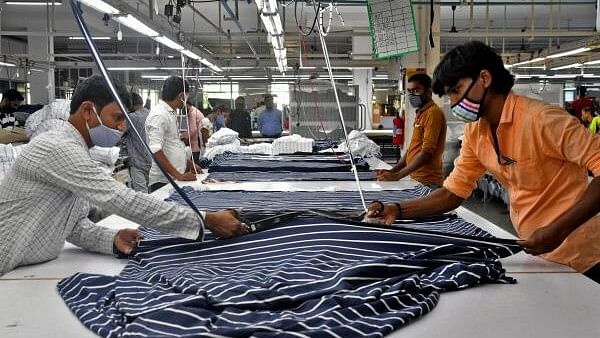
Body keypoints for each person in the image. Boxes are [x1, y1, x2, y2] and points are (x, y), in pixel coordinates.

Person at [367, 41, 600, 283]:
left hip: (582, 255)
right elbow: (452, 193)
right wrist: (397, 210)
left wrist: (559, 230)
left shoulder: (542, 120)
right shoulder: (476, 133)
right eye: (450, 95)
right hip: (538, 254)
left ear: (485, 78)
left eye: (456, 90)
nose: (454, 102)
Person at [0, 74, 248, 275]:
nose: (122, 127)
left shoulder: (77, 151)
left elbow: (71, 225)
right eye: (117, 118)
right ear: (88, 111)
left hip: (23, 273)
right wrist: (204, 220)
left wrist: (110, 239)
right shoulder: (57, 147)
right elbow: (119, 198)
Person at [376, 73, 447, 189]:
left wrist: (398, 175)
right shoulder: (421, 113)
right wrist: (392, 171)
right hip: (418, 179)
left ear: (429, 91)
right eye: (409, 91)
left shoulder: (433, 113)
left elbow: (427, 152)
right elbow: (412, 149)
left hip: (428, 182)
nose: (412, 95)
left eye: (416, 90)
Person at [145, 76, 202, 193]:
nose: (186, 100)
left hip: (173, 178)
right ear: (181, 96)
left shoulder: (170, 113)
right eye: (186, 97)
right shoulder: (159, 115)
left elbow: (172, 145)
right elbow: (155, 150)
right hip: (163, 182)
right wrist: (179, 175)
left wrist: (189, 163)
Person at [125, 93, 152, 192]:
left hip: (137, 162)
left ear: (130, 104)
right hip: (152, 161)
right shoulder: (151, 114)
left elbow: (119, 131)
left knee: (141, 195)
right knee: (151, 193)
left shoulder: (132, 117)